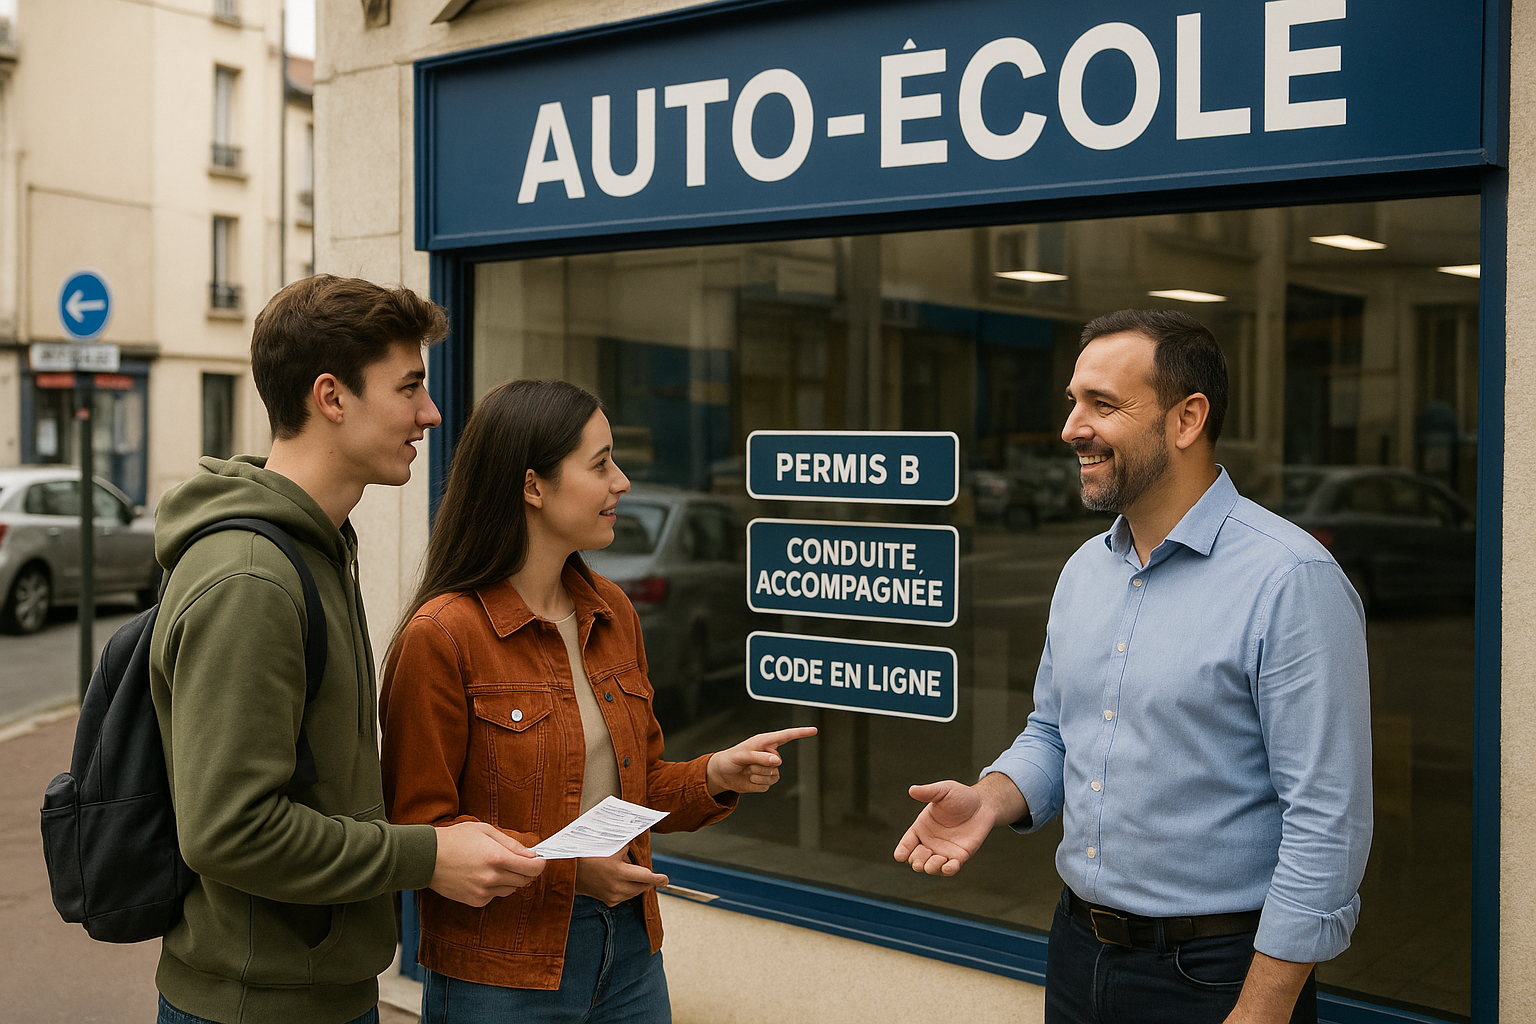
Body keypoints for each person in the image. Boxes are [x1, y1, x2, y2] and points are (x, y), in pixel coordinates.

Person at [894, 309, 1372, 1024]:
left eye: (1103, 404)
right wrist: (990, 799)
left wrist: (1263, 1010)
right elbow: (1054, 732)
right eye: (1073, 401)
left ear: (1187, 419)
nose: (1070, 429)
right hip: (1077, 949)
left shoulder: (1291, 579)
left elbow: (1326, 823)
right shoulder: (1087, 569)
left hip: (1216, 976)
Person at [149, 275, 546, 1024]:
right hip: (257, 1006)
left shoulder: (319, 548)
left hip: (314, 991)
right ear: (331, 397)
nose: (430, 414)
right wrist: (426, 855)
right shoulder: (253, 578)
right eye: (409, 389)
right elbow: (229, 830)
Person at [379, 377, 814, 1024]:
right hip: (500, 972)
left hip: (631, 953)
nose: (623, 483)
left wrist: (715, 776)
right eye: (601, 463)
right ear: (533, 487)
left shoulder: (612, 612)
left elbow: (633, 798)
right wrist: (573, 876)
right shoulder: (444, 636)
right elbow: (422, 838)